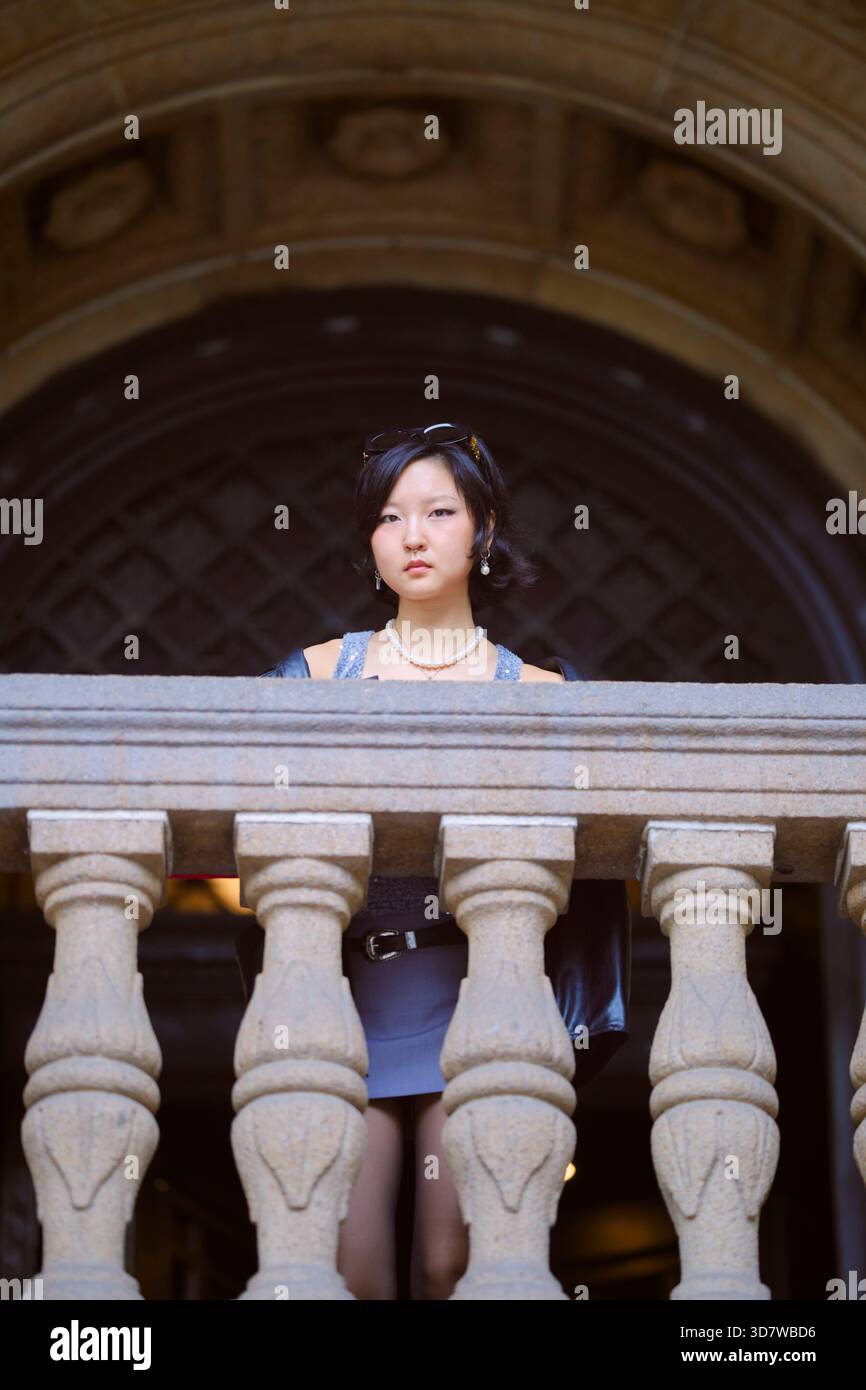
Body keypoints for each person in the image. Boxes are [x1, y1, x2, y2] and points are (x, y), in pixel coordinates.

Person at [236, 422, 630, 1299]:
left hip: (479, 1001)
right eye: (388, 517)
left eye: (438, 512)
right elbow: (236, 847)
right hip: (341, 1003)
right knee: (352, 1271)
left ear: (482, 531)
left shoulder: (536, 693)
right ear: (369, 541)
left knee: (460, 1264)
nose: (411, 536)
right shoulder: (313, 675)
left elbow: (582, 869)